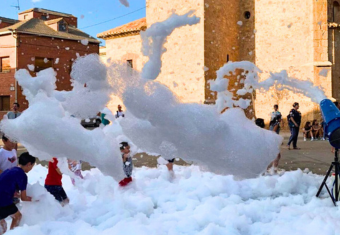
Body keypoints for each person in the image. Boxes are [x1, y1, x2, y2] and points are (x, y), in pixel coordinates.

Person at [0, 152, 35, 235]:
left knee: (3, 225)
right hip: (3, 200)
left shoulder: (10, 170)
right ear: (29, 164)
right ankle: (13, 233)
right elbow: (24, 198)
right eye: (32, 166)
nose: (31, 168)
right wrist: (35, 199)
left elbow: (10, 189)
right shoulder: (22, 175)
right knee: (17, 216)